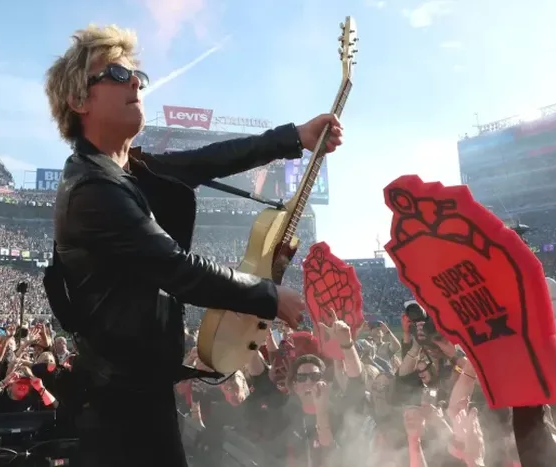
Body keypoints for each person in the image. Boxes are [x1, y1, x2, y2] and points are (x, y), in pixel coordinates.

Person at [44, 24, 344, 467]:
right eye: (115, 73)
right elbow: (177, 269)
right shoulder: (92, 190)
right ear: (78, 100)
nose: (135, 82)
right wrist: (268, 297)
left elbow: (209, 159)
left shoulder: (126, 171)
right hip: (117, 413)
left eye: (137, 76)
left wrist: (293, 137)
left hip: (139, 393)